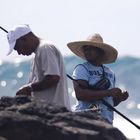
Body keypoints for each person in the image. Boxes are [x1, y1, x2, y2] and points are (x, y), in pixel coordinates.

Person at [67, 33, 129, 123]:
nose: (87, 51)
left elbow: (109, 103)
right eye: (85, 49)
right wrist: (108, 92)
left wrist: (119, 99)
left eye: (91, 49)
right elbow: (80, 95)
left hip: (106, 121)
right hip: (86, 120)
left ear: (101, 51)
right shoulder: (81, 68)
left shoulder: (110, 73)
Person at [7, 24, 71, 110]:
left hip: (55, 111)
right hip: (48, 112)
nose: (19, 53)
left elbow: (53, 78)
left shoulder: (45, 48)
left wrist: (29, 88)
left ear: (24, 39)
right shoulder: (39, 52)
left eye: (17, 48)